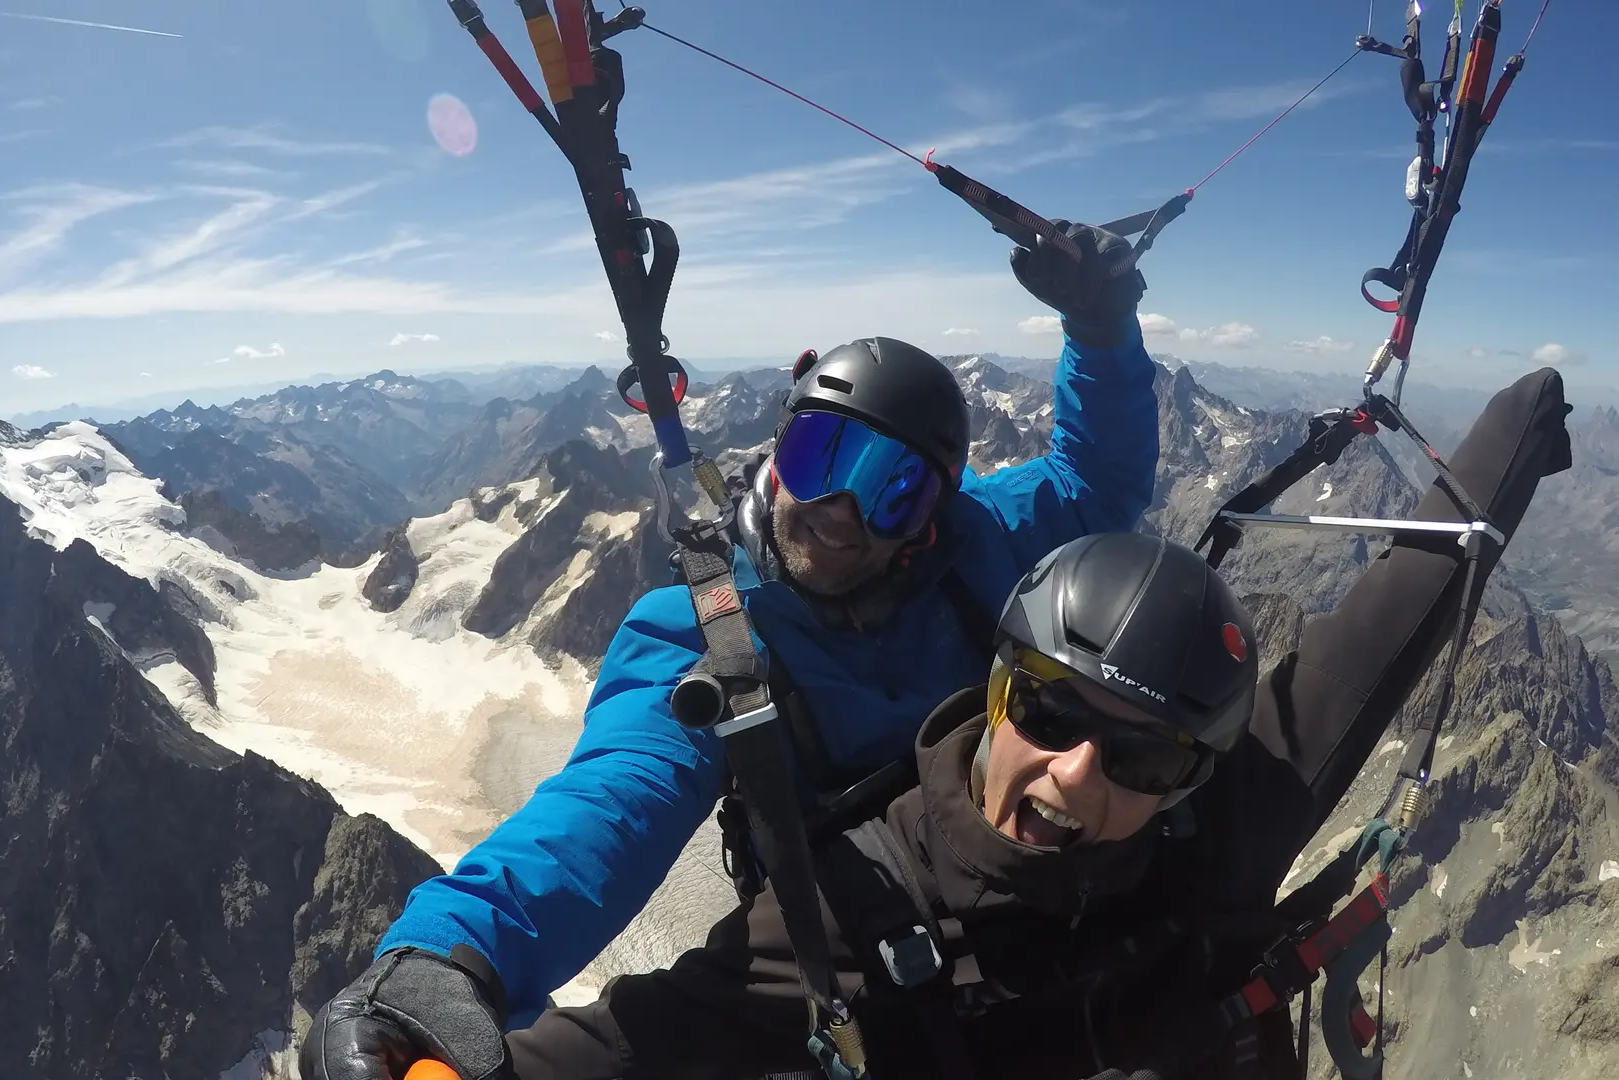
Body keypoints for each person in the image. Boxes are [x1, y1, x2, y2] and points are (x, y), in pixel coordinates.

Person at [481, 366, 1571, 1080]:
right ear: (998, 685)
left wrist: (1513, 438)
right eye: (1050, 710)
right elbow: (623, 1044)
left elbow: (1387, 622)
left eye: (1139, 753)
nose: (1077, 775)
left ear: (1191, 773)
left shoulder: (1214, 826)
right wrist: (437, 995)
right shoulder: (855, 907)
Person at [299, 224, 1165, 1080]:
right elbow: (612, 800)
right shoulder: (704, 629)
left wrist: (1101, 331)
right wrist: (450, 949)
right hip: (852, 949)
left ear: (930, 518)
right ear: (777, 454)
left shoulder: (980, 538)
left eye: (891, 491)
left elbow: (1096, 479)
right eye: (822, 456)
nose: (839, 509)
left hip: (1041, 884)